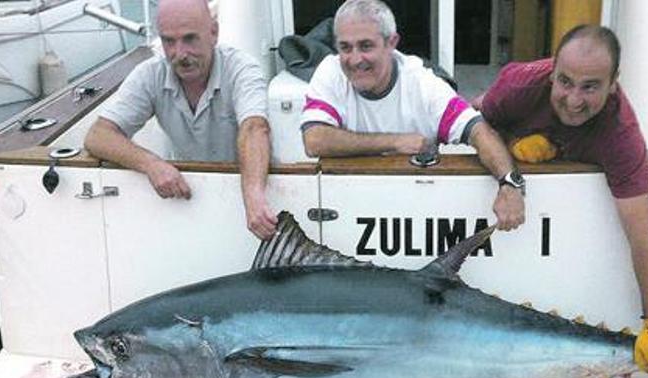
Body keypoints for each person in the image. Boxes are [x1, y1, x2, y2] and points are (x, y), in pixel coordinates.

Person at [474, 25, 648, 374]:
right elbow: (476, 124)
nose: (573, 100)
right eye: (565, 82)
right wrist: (510, 166)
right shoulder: (521, 86)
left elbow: (642, 235)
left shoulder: (622, 134)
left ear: (614, 82)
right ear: (552, 72)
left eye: (590, 87)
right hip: (506, 113)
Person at [300, 0, 524, 231]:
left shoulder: (423, 84)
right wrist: (397, 142)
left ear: (391, 43)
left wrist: (509, 183)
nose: (355, 59)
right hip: (353, 211)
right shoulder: (330, 71)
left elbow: (478, 130)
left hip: (415, 212)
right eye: (345, 48)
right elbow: (315, 140)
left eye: (366, 46)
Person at [84, 0, 277, 240]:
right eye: (169, 41)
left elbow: (254, 128)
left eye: (189, 39)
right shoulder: (150, 74)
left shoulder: (242, 69)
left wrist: (254, 196)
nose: (180, 53)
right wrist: (151, 164)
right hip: (188, 195)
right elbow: (98, 135)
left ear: (214, 33)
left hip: (249, 196)